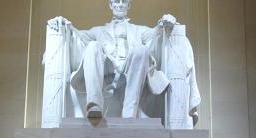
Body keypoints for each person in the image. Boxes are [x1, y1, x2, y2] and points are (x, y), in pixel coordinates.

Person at [47, 0, 177, 118]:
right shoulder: (98, 31)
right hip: (107, 69)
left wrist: (163, 24)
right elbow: (77, 36)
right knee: (92, 46)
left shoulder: (139, 30)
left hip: (131, 69)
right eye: (116, 1)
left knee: (141, 49)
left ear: (129, 5)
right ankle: (94, 105)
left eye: (124, 1)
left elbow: (156, 35)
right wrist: (65, 25)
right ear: (111, 5)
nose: (120, 4)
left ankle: (129, 112)